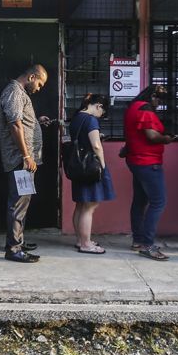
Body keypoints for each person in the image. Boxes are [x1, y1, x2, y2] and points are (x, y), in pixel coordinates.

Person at [0, 64, 51, 263]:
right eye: (39, 83)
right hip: (20, 161)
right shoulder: (13, 91)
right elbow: (14, 124)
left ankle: (17, 240)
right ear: (31, 77)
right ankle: (13, 249)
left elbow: (21, 120)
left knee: (22, 203)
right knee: (18, 203)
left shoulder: (18, 93)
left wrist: (35, 121)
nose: (39, 88)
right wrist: (27, 156)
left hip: (24, 160)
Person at [123, 85, 176, 261]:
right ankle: (147, 244)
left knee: (139, 201)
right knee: (158, 202)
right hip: (148, 162)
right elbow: (152, 136)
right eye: (159, 100)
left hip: (135, 160)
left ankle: (138, 240)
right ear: (152, 95)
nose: (159, 104)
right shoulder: (145, 109)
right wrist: (166, 139)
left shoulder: (133, 107)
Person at [69, 93, 113, 255]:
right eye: (103, 112)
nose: (101, 115)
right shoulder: (91, 120)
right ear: (98, 106)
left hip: (79, 166)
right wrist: (102, 164)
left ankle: (80, 239)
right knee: (90, 206)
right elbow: (96, 145)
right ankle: (86, 244)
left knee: (81, 204)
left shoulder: (77, 117)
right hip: (91, 167)